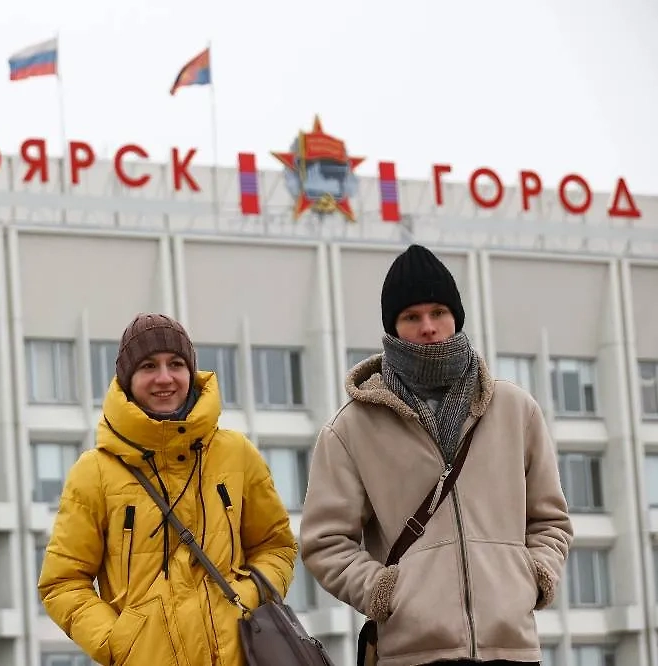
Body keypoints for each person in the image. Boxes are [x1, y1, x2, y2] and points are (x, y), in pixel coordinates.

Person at [300, 244, 574, 666]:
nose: (428, 327)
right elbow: (325, 542)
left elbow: (550, 519)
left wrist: (534, 576)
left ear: (455, 317)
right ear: (392, 327)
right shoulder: (351, 428)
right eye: (411, 317)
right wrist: (384, 593)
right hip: (411, 653)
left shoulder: (514, 409)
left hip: (511, 647)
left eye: (438, 312)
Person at [38, 312, 298, 666]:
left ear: (190, 372)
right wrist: (121, 643)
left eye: (175, 364)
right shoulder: (94, 472)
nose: (164, 378)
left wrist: (250, 594)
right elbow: (63, 582)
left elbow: (276, 545)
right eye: (148, 366)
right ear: (128, 379)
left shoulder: (236, 453)